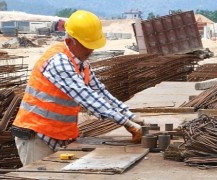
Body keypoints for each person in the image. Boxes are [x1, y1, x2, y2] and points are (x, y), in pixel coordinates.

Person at [11, 10, 141, 166]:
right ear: (71, 40)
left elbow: (99, 92)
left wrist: (130, 116)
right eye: (87, 45)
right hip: (36, 135)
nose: (91, 50)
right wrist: (126, 123)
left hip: (58, 136)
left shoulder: (81, 63)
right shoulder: (59, 61)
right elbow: (86, 96)